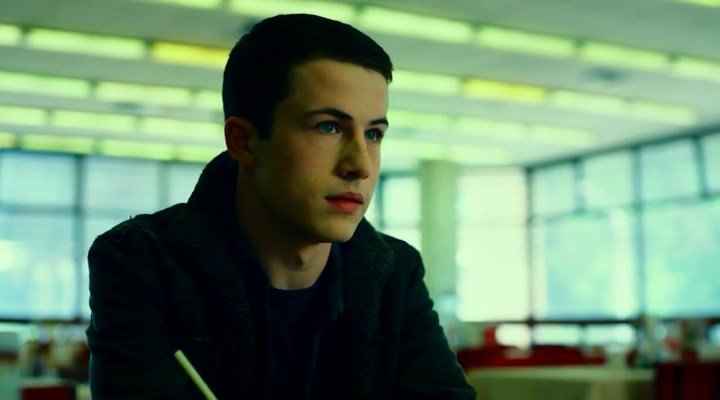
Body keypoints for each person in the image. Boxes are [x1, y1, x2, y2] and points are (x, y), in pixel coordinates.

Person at [86, 13, 475, 400]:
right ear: (244, 141)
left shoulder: (395, 271)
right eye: (328, 127)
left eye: (373, 134)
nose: (361, 165)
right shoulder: (142, 262)